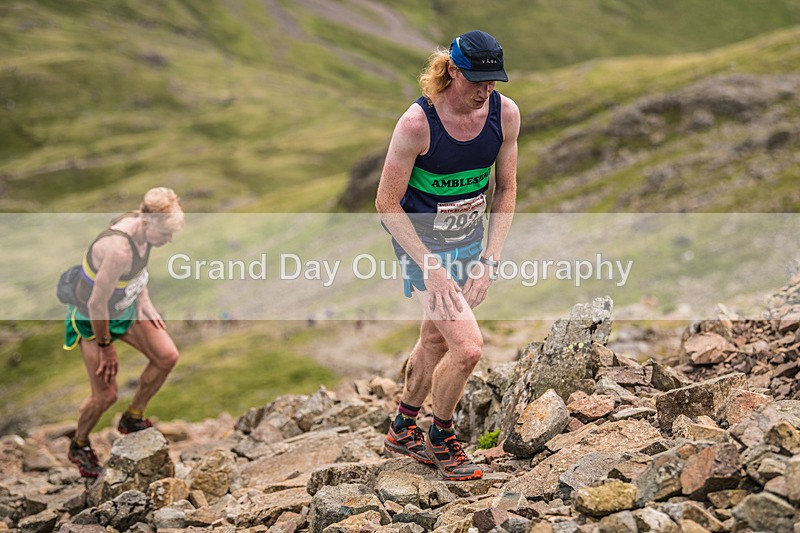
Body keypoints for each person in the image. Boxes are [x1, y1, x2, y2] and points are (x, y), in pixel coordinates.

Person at [376, 30, 519, 480]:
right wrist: (430, 268)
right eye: (477, 79)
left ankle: (402, 427)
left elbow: (507, 190)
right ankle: (440, 437)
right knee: (468, 348)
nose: (486, 90)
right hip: (420, 246)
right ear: (452, 71)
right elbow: (386, 203)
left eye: (493, 80)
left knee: (436, 338)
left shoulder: (505, 115)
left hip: (468, 242)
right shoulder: (417, 125)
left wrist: (489, 258)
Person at [63, 187, 184, 477]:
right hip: (93, 320)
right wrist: (106, 347)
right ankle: (79, 444)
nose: (169, 240)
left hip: (125, 310)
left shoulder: (146, 228)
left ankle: (133, 417)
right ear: (147, 221)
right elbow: (95, 303)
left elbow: (138, 274)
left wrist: (144, 301)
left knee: (167, 356)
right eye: (165, 234)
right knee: (105, 396)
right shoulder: (118, 250)